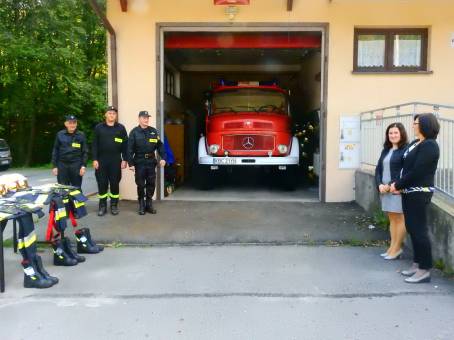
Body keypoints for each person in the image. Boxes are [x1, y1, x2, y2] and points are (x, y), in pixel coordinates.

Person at [391, 113, 440, 283]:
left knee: (419, 231)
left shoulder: (430, 146)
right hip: (408, 191)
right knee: (412, 228)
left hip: (419, 192)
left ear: (426, 125)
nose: (413, 125)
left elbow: (417, 171)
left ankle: (425, 269)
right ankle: (417, 263)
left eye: (416, 123)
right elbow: (406, 168)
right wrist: (398, 184)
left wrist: (398, 185)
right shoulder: (414, 143)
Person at [374, 123, 408, 260]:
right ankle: (392, 247)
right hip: (385, 190)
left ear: (401, 134)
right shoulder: (386, 150)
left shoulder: (405, 150)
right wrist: (379, 185)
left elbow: (404, 171)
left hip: (396, 189)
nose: (393, 135)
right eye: (390, 133)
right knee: (392, 218)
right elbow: (378, 169)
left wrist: (389, 185)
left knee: (399, 219)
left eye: (396, 133)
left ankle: (397, 248)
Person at [127, 111, 166, 215]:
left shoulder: (153, 131)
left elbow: (160, 146)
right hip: (139, 162)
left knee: (151, 183)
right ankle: (141, 204)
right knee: (140, 184)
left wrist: (163, 157)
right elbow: (129, 149)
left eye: (147, 118)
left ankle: (149, 204)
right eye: (144, 118)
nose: (146, 119)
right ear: (139, 118)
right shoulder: (134, 132)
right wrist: (130, 164)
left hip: (150, 161)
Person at [92, 106, 128, 216]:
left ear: (116, 116)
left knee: (114, 184)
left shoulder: (121, 128)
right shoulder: (99, 127)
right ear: (105, 115)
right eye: (110, 113)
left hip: (115, 160)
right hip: (101, 160)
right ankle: (102, 206)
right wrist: (94, 159)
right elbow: (94, 145)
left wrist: (125, 159)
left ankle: (114, 205)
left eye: (114, 113)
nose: (112, 115)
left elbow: (125, 145)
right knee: (102, 183)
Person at [51, 115, 88, 189]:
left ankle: (77, 201)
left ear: (76, 124)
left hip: (76, 165)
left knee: (76, 188)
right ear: (66, 124)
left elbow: (85, 151)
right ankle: (65, 201)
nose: (72, 125)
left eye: (74, 122)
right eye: (70, 123)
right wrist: (54, 166)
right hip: (62, 165)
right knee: (63, 189)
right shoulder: (60, 134)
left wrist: (83, 166)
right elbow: (55, 150)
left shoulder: (81, 135)